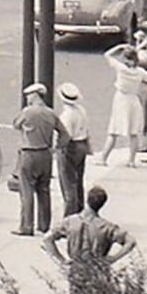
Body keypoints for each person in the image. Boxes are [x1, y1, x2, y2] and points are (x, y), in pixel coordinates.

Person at [42, 184, 137, 285]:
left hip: (76, 269)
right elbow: (130, 241)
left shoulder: (69, 222)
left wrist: (62, 260)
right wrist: (113, 258)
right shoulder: (106, 227)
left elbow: (47, 238)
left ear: (87, 200)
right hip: (97, 269)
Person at [12, 82, 64, 236]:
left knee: (27, 191)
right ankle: (44, 225)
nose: (27, 98)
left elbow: (16, 124)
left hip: (29, 153)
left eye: (29, 95)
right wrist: (56, 147)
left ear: (35, 95)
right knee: (44, 190)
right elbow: (64, 133)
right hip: (45, 154)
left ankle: (26, 226)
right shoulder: (51, 113)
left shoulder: (27, 112)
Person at [99, 42, 147, 166]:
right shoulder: (140, 72)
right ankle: (131, 160)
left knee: (113, 130)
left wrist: (119, 47)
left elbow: (107, 55)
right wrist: (141, 90)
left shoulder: (121, 69)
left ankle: (103, 158)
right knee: (134, 132)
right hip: (133, 99)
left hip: (121, 98)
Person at [56, 80, 92, 216]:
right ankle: (80, 210)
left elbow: (66, 136)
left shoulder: (66, 115)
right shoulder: (81, 110)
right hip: (82, 143)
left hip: (71, 146)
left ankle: (69, 215)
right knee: (78, 181)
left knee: (67, 181)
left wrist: (57, 148)